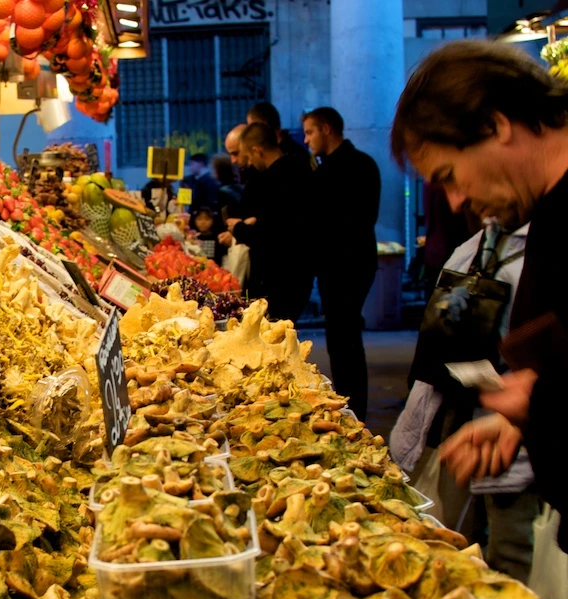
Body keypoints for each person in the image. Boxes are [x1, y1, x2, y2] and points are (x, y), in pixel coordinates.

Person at [391, 39, 568, 552]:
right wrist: (527, 418)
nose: (456, 201)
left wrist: (542, 402)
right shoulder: (546, 215)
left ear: (495, 125)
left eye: (449, 176)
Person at [391, 219, 541, 581]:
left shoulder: (536, 256)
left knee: (512, 546)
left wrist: (528, 407)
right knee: (452, 534)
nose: (458, 202)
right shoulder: (472, 247)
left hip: (519, 431)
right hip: (463, 416)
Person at [302, 107, 381, 420]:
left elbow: (330, 221)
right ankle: (351, 405)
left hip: (343, 264)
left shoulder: (339, 169)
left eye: (310, 132)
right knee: (344, 338)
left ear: (326, 128)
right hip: (352, 262)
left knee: (343, 340)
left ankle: (351, 408)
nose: (307, 140)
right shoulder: (363, 163)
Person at [222, 123, 314, 322]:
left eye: (249, 156)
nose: (250, 163)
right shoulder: (298, 170)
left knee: (275, 330)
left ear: (257, 151)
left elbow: (272, 234)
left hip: (281, 276)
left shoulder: (275, 179)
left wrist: (240, 228)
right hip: (299, 272)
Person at [421, 181, 471, 301]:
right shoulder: (448, 187)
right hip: (451, 254)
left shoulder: (429, 184)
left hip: (434, 252)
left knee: (434, 302)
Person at [247, 101, 315, 169]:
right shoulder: (296, 151)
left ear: (263, 126)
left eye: (252, 128)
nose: (250, 133)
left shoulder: (290, 157)